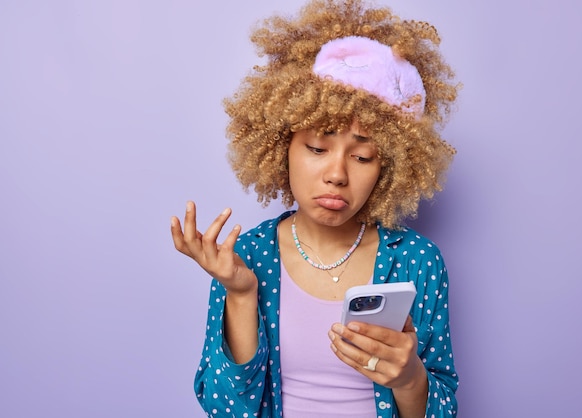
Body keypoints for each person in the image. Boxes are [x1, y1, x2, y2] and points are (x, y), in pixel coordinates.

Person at [170, 0, 459, 416]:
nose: (337, 174)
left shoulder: (417, 261)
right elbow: (227, 409)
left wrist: (409, 378)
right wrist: (240, 293)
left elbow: (444, 407)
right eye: (317, 148)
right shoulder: (245, 257)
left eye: (362, 157)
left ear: (391, 166)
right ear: (280, 145)